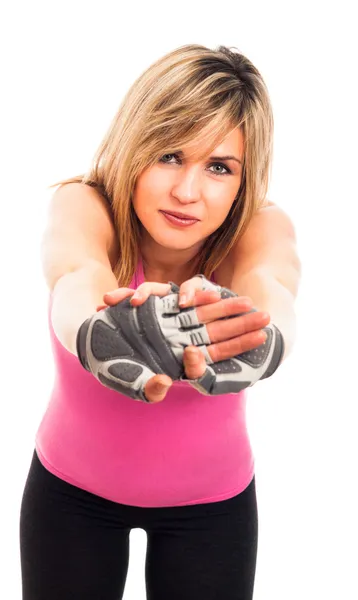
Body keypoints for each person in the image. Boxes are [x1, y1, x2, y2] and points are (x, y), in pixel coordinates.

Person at [20, 44, 301, 599]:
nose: (187, 191)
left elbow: (275, 282)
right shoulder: (85, 202)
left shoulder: (258, 227)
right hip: (70, 497)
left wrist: (263, 339)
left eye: (219, 167)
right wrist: (100, 329)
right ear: (136, 145)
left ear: (243, 181)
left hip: (212, 509)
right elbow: (75, 273)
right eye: (170, 155)